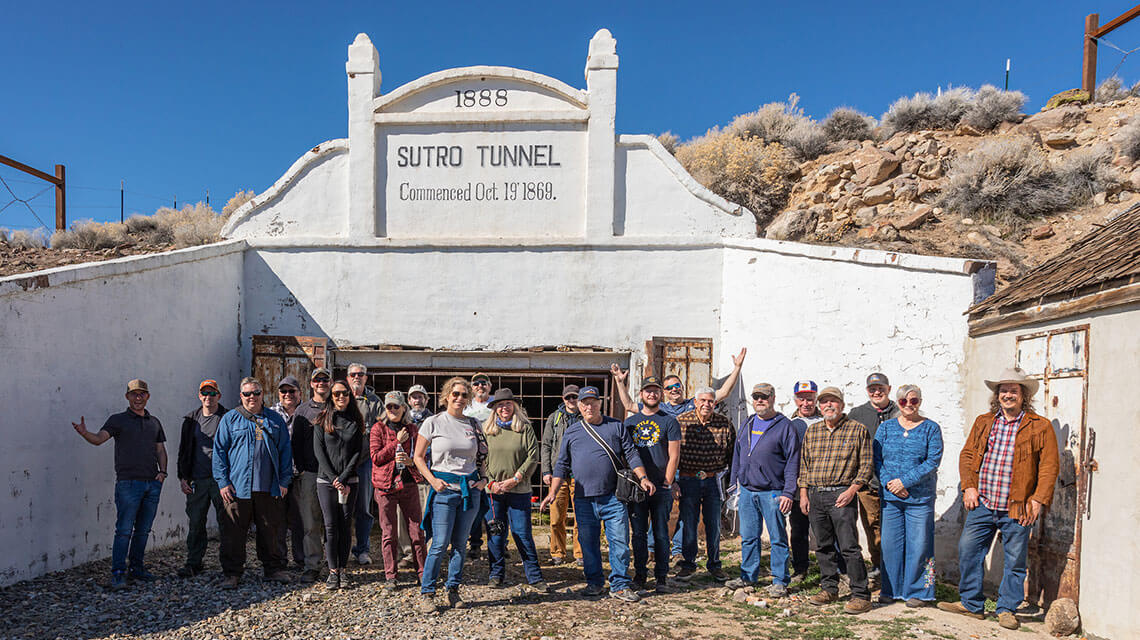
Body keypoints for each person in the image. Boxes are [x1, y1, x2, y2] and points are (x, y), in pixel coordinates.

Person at [938, 368, 1059, 631]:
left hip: (1018, 506)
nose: (1007, 395)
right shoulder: (984, 422)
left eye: (1013, 390)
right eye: (1003, 390)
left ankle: (1006, 609)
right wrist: (969, 487)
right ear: (997, 395)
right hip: (983, 503)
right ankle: (972, 604)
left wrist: (1037, 500)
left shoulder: (1040, 426)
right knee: (968, 550)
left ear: (1023, 395)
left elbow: (1049, 467)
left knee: (1015, 560)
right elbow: (967, 456)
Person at [541, 386, 655, 603]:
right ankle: (594, 583)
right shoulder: (572, 432)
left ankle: (620, 585)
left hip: (613, 497)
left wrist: (643, 478)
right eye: (584, 403)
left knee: (619, 541)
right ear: (580, 406)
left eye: (593, 402)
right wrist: (552, 492)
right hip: (583, 498)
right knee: (588, 543)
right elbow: (562, 465)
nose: (588, 406)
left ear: (600, 403)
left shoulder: (615, 426)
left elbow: (631, 454)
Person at [72, 379, 168, 589]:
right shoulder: (118, 420)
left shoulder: (154, 422)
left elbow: (160, 449)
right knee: (124, 530)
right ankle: (118, 573)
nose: (138, 397)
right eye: (134, 394)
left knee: (143, 530)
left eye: (142, 394)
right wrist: (84, 433)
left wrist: (162, 474)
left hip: (152, 484)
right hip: (128, 484)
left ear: (148, 396)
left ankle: (137, 569)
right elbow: (99, 439)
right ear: (127, 397)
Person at [414, 377, 488, 613]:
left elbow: (482, 456)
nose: (459, 398)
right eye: (455, 394)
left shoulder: (474, 424)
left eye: (464, 395)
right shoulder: (433, 422)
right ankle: (427, 593)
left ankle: (453, 589)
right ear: (446, 396)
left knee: (460, 544)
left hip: (469, 491)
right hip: (444, 490)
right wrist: (433, 480)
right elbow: (417, 457)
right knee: (439, 543)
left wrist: (484, 479)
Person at [798, 386, 873, 614]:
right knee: (823, 546)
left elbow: (866, 465)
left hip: (842, 495)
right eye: (824, 402)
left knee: (849, 547)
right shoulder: (814, 431)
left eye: (833, 401)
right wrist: (803, 494)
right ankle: (829, 588)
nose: (828, 405)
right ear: (820, 406)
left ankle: (861, 594)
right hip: (816, 495)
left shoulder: (857, 430)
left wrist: (852, 491)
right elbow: (804, 465)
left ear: (842, 404)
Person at [212, 377, 293, 589]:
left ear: (262, 394)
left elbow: (285, 452)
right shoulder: (230, 420)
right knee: (233, 533)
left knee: (271, 531)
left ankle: (273, 569)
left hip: (268, 487)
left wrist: (284, 481)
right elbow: (219, 453)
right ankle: (232, 573)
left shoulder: (275, 420)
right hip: (237, 488)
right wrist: (222, 482)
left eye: (256, 393)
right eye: (247, 393)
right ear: (241, 396)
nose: (252, 397)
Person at [726, 383, 799, 596]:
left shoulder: (785, 426)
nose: (760, 400)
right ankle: (748, 576)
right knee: (749, 537)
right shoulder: (748, 423)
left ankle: (779, 581)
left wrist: (788, 492)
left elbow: (793, 461)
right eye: (756, 396)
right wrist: (735, 484)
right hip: (748, 491)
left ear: (773, 398)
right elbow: (737, 455)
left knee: (777, 538)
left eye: (764, 397)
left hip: (773, 492)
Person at [874, 384, 943, 608]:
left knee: (921, 545)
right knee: (890, 546)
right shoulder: (885, 428)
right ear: (898, 403)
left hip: (920, 500)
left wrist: (905, 482)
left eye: (913, 401)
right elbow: (876, 460)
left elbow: (932, 462)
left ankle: (922, 592)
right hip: (891, 499)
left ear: (920, 402)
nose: (908, 405)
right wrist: (890, 484)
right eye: (903, 401)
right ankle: (890, 589)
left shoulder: (931, 428)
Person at [482, 389, 548, 591]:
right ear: (494, 409)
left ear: (515, 407)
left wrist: (516, 478)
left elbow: (532, 456)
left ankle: (535, 576)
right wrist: (491, 482)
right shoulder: (487, 431)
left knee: (522, 533)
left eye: (508, 404)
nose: (504, 408)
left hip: (519, 490)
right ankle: (496, 574)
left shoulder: (524, 428)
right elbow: (481, 458)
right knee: (496, 534)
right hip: (493, 491)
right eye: (500, 405)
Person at [623, 376, 681, 593]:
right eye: (648, 390)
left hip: (661, 487)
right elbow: (625, 455)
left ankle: (662, 576)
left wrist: (667, 482)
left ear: (661, 394)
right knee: (637, 534)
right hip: (637, 488)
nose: (652, 394)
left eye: (656, 391)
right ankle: (639, 575)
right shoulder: (630, 423)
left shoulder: (669, 421)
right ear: (641, 395)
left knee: (661, 533)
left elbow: (674, 455)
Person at [674, 387, 736, 583]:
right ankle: (688, 565)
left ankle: (715, 565)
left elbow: (732, 455)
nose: (706, 404)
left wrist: (731, 484)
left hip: (713, 480)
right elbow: (672, 454)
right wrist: (673, 481)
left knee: (714, 524)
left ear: (715, 403)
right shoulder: (681, 422)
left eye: (710, 401)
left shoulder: (724, 423)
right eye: (702, 400)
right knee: (688, 524)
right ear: (695, 401)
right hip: (688, 479)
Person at [371, 390, 426, 590]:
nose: (392, 410)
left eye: (396, 406)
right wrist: (397, 443)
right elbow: (376, 457)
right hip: (385, 486)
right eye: (389, 407)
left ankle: (422, 573)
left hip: (409, 484)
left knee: (416, 531)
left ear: (404, 408)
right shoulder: (379, 428)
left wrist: (411, 462)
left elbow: (423, 457)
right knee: (389, 533)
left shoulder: (413, 429)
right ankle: (391, 576)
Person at [314, 379, 365, 590]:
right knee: (330, 526)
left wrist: (343, 477)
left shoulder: (356, 420)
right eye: (336, 394)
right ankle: (332, 571)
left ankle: (343, 570)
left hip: (349, 480)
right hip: (326, 481)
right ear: (331, 397)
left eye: (344, 393)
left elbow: (357, 452)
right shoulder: (322, 420)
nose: (341, 397)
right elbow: (319, 451)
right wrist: (334, 478)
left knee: (345, 525)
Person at [848, 372, 897, 586]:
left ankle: (897, 571)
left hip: (897, 484)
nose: (876, 392)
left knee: (894, 528)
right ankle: (878, 567)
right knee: (873, 527)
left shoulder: (900, 411)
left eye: (881, 388)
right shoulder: (857, 413)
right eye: (872, 389)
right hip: (869, 482)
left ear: (889, 388)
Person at [176, 379, 228, 578]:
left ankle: (228, 564)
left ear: (218, 396)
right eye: (204, 393)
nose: (208, 397)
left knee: (227, 523)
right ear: (199, 396)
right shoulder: (191, 420)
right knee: (196, 523)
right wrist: (183, 477)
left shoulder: (227, 417)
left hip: (221, 480)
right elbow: (183, 450)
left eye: (212, 393)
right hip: (197, 479)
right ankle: (193, 563)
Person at [611, 348, 748, 418]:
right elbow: (629, 405)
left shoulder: (694, 403)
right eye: (669, 387)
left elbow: (724, 392)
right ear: (664, 392)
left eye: (676, 385)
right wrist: (619, 382)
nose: (673, 389)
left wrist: (737, 368)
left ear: (682, 387)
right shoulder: (659, 408)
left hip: (690, 459)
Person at [285, 372, 327, 583]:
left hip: (334, 475)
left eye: (325, 380)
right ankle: (313, 565)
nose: (321, 383)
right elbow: (295, 444)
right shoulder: (302, 411)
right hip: (310, 473)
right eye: (317, 380)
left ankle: (336, 565)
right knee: (310, 523)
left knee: (334, 522)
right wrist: (301, 469)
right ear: (311, 384)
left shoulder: (339, 405)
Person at [540, 384, 583, 565]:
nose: (572, 401)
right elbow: (546, 445)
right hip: (559, 473)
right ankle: (557, 552)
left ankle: (580, 554)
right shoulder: (554, 418)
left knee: (581, 516)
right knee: (557, 516)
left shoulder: (586, 416)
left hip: (581, 474)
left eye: (575, 397)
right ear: (563, 399)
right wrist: (546, 470)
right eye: (568, 398)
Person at [347, 363, 382, 566]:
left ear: (366, 378)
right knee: (339, 508)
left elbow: (383, 427)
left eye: (361, 374)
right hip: (341, 463)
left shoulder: (374, 401)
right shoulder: (340, 396)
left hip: (365, 462)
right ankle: (338, 550)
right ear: (348, 376)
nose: (357, 377)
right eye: (353, 374)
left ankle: (362, 549)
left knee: (363, 509)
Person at [786, 380, 820, 581]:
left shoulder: (825, 421)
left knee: (825, 531)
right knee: (798, 529)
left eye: (809, 398)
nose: (805, 403)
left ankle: (831, 571)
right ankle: (800, 568)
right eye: (801, 399)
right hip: (798, 486)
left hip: (821, 485)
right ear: (795, 399)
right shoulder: (789, 424)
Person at [397, 384, 433, 569]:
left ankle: (425, 553)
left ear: (427, 400)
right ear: (408, 401)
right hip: (405, 475)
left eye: (420, 397)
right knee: (403, 517)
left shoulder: (435, 420)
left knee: (425, 515)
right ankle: (409, 553)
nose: (417, 400)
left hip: (426, 475)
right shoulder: (403, 420)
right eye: (413, 397)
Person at [463, 372, 493, 559]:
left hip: (494, 461)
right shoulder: (466, 408)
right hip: (472, 463)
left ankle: (499, 543)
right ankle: (474, 543)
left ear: (490, 386)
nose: (480, 386)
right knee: (474, 506)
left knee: (493, 506)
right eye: (476, 384)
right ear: (472, 387)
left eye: (484, 383)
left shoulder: (496, 407)